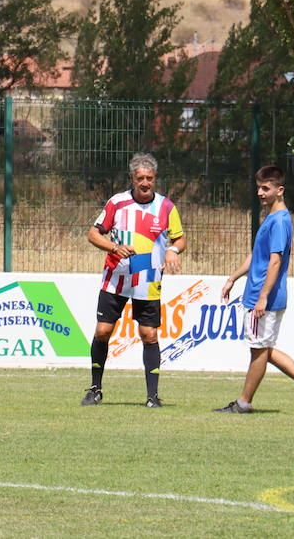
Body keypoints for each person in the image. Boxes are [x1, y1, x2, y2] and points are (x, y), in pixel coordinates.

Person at [215, 165, 294, 415]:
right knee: (264, 348)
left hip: (262, 297)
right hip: (260, 294)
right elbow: (258, 256)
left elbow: (275, 261)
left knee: (258, 350)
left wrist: (262, 297)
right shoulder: (273, 219)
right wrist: (233, 278)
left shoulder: (279, 221)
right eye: (258, 188)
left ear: (280, 190)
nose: (260, 193)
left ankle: (244, 402)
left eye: (265, 188)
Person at [82, 152, 185, 409]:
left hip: (148, 282)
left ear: (155, 178)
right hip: (116, 279)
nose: (145, 182)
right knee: (103, 331)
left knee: (149, 334)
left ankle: (152, 397)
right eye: (140, 178)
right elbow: (93, 234)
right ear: (132, 178)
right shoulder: (117, 203)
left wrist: (173, 251)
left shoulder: (166, 207)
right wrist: (114, 248)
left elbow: (179, 239)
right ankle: (95, 389)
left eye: (149, 178)